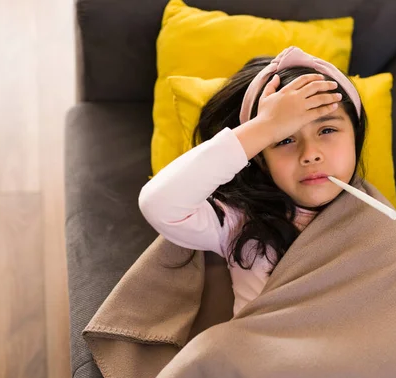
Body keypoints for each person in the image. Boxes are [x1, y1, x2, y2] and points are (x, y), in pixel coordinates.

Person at [139, 46, 368, 316]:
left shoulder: (375, 219)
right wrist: (265, 127)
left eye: (327, 130)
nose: (310, 155)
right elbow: (159, 203)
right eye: (284, 140)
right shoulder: (239, 222)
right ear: (260, 158)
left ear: (356, 136)